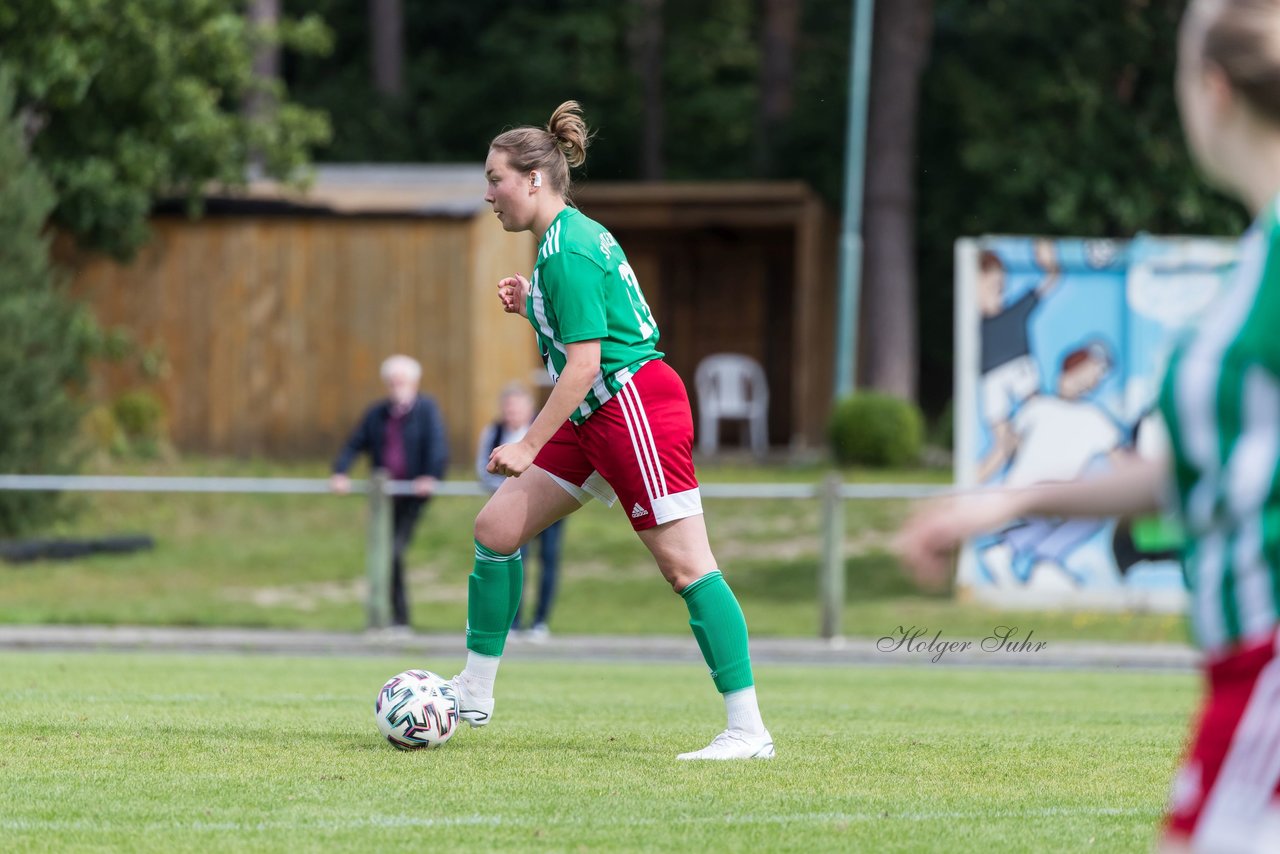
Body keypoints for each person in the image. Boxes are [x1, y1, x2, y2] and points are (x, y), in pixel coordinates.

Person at [897, 1, 1280, 847]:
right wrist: (1002, 505)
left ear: (1210, 91)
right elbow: (1187, 470)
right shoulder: (1259, 256)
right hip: (1243, 677)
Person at [447, 100, 773, 760]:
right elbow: (592, 336)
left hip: (631, 410)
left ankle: (748, 731)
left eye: (495, 179)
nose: (488, 195)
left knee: (687, 567)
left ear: (534, 178)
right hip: (598, 409)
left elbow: (587, 364)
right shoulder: (563, 242)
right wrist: (530, 312)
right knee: (496, 530)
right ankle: (475, 691)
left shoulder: (564, 252)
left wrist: (528, 442)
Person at [330, 355, 448, 631]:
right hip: (384, 497)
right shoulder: (378, 413)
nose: (397, 387)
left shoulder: (426, 410)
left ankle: (400, 619)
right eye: (393, 382)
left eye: (402, 381)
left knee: (393, 553)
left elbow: (438, 446)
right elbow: (354, 443)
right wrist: (340, 472)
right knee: (383, 555)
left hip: (411, 496)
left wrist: (430, 476)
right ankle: (387, 617)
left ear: (414, 383)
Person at [476, 383, 565, 641]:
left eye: (517, 407)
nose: (512, 412)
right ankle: (513, 622)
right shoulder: (493, 432)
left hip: (548, 501)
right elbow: (483, 467)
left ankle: (540, 621)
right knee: (515, 560)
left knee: (548, 560)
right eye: (508, 407)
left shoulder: (546, 429)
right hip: (512, 504)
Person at [978, 239, 1061, 482]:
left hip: (1019, 373)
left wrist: (1050, 263)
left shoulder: (1014, 313)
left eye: (998, 285)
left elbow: (1051, 280)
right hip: (992, 380)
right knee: (1004, 443)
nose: (996, 291)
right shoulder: (973, 326)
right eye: (989, 285)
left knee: (1038, 418)